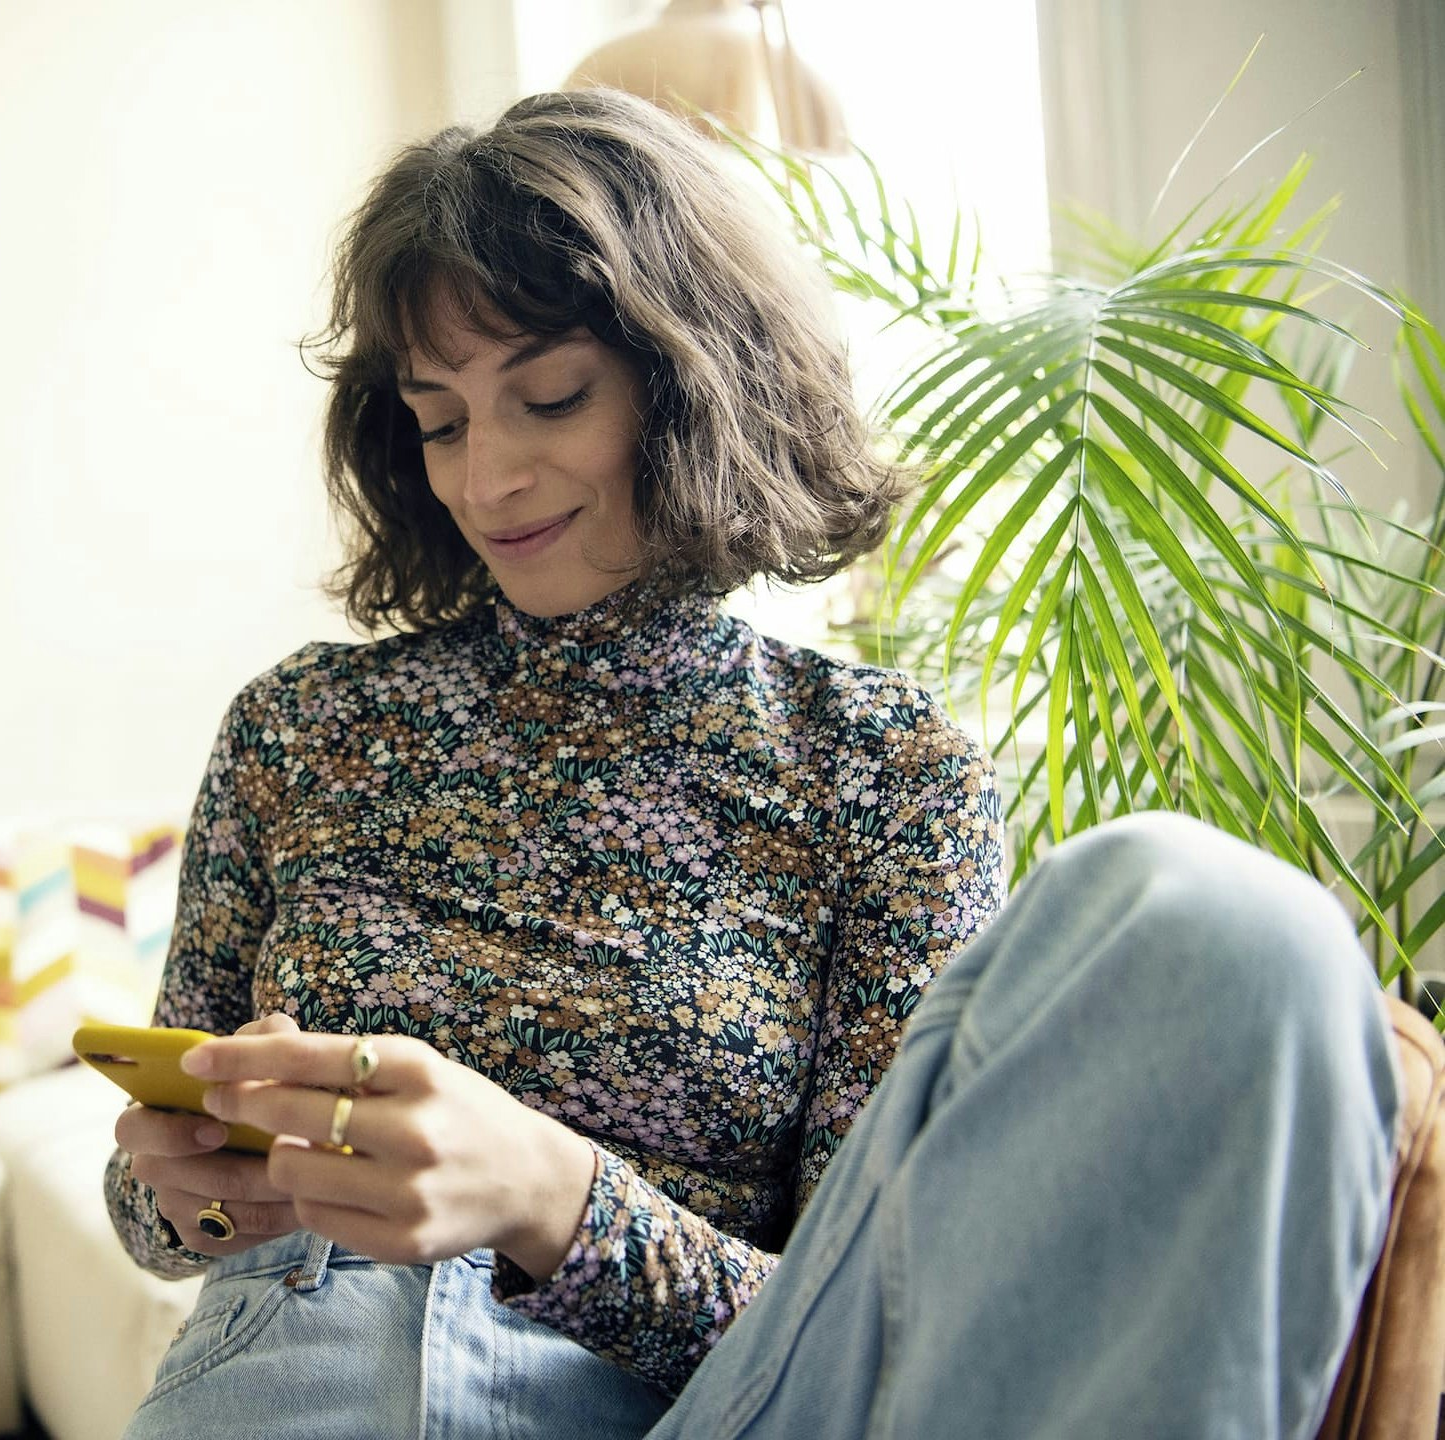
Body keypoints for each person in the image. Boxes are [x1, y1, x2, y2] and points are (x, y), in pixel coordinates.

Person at [105, 88, 1399, 1440]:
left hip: (706, 1414)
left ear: (690, 382)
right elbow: (151, 1214)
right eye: (440, 422)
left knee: (1218, 916)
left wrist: (551, 1197)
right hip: (299, 1365)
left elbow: (890, 1319)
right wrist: (204, 1186)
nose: (485, 479)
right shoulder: (299, 730)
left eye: (548, 398)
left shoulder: (887, 774)